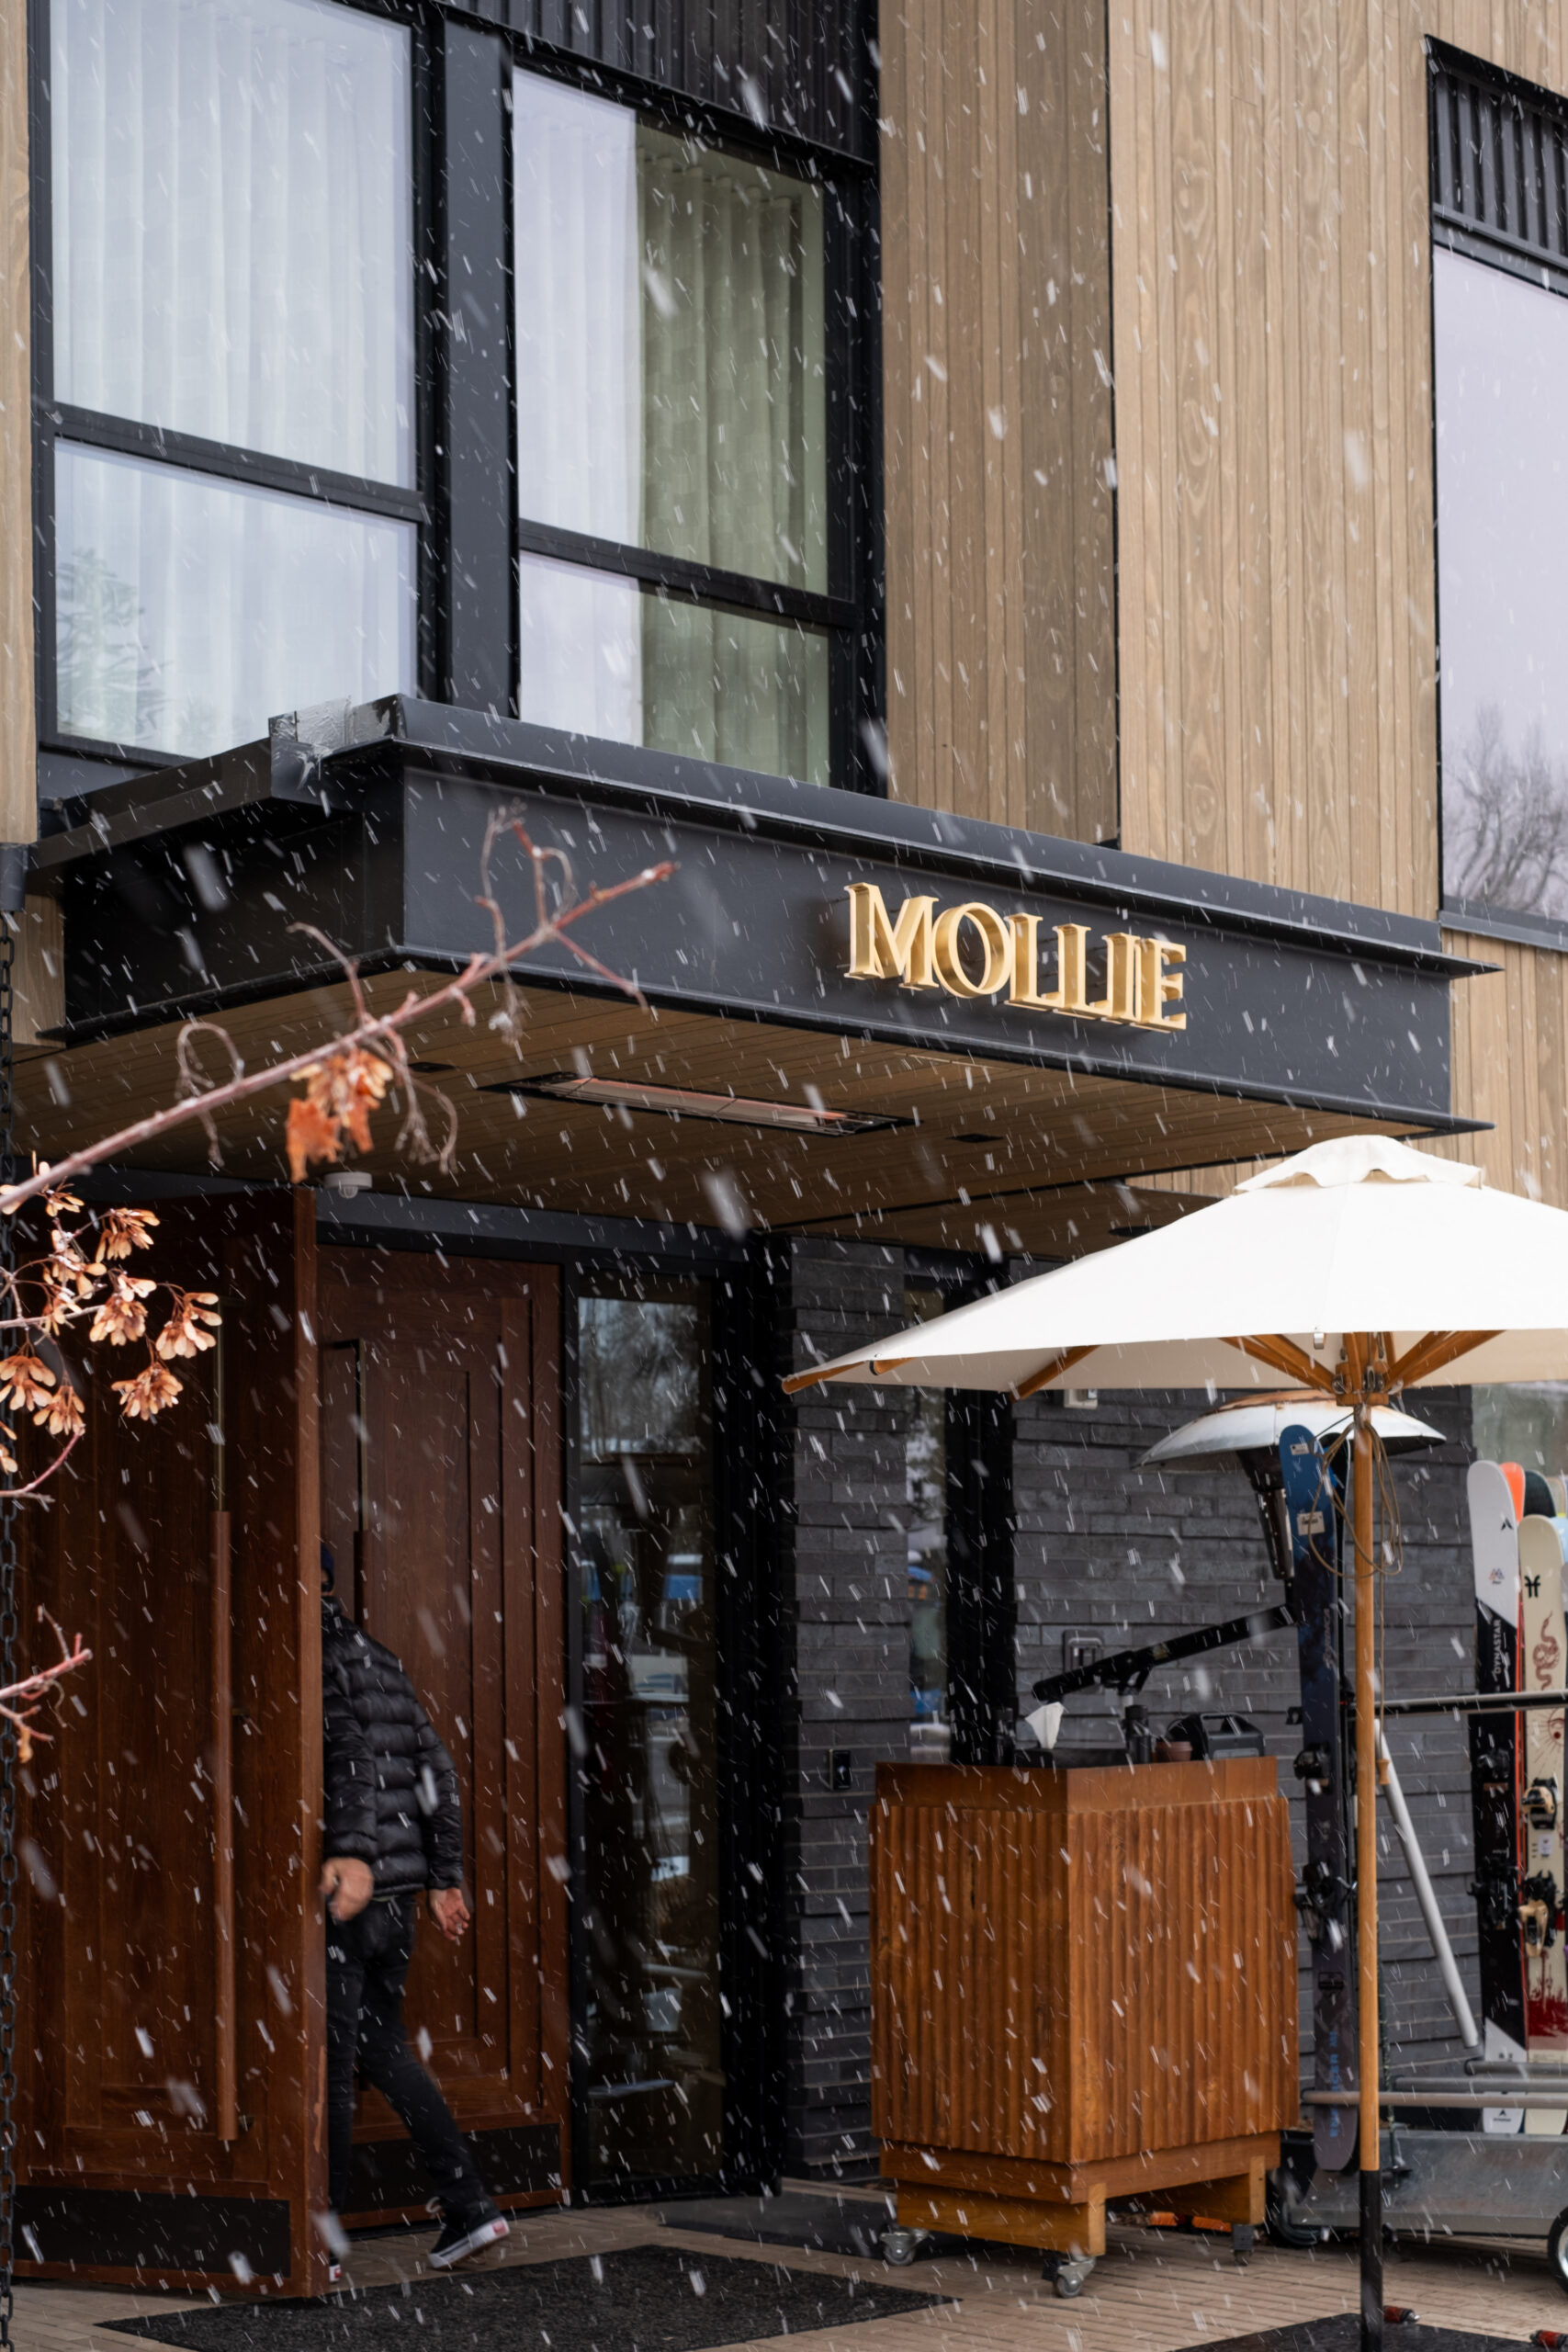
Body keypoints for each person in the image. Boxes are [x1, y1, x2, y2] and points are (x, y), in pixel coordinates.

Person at [318, 1547, 509, 2274]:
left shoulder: (312, 1655)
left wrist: (355, 1854)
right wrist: (441, 1876)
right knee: (383, 2048)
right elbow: (437, 1769)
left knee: (335, 2066)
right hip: (396, 1900)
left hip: (352, 1892)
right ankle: (470, 2208)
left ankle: (322, 2246)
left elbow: (350, 1759)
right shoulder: (379, 1656)